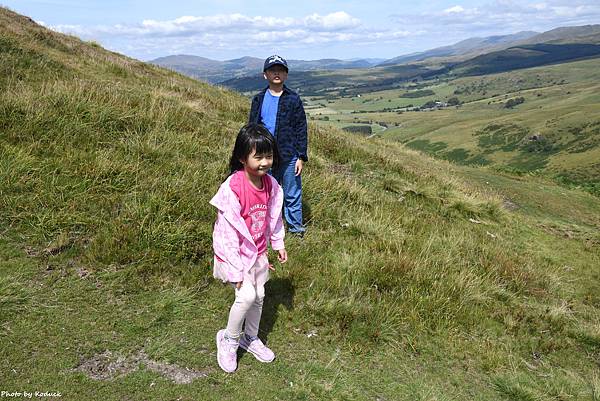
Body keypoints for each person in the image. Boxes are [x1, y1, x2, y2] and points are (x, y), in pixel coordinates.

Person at [210, 123, 288, 373]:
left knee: (260, 296)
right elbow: (226, 234)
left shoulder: (272, 187)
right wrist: (235, 271)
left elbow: (273, 219)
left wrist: (278, 243)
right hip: (235, 256)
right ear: (242, 158)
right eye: (259, 156)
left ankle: (250, 338)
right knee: (246, 296)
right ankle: (228, 340)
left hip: (257, 253)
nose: (265, 162)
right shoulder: (233, 188)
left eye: (269, 156)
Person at [249, 55, 308, 237]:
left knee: (292, 194)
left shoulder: (293, 99)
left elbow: (301, 128)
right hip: (264, 156)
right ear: (264, 75)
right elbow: (252, 127)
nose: (277, 73)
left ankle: (296, 230)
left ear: (286, 75)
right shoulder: (258, 99)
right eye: (272, 70)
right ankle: (266, 230)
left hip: (289, 156)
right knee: (265, 194)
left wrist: (301, 156)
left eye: (281, 70)